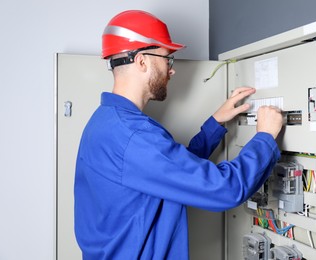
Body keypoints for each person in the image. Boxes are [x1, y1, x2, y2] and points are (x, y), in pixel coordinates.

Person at [74, 10, 283, 260]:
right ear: (142, 61)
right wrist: (265, 138)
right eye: (167, 59)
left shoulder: (107, 122)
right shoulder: (134, 135)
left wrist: (215, 124)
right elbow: (226, 189)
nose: (171, 70)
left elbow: (169, 172)